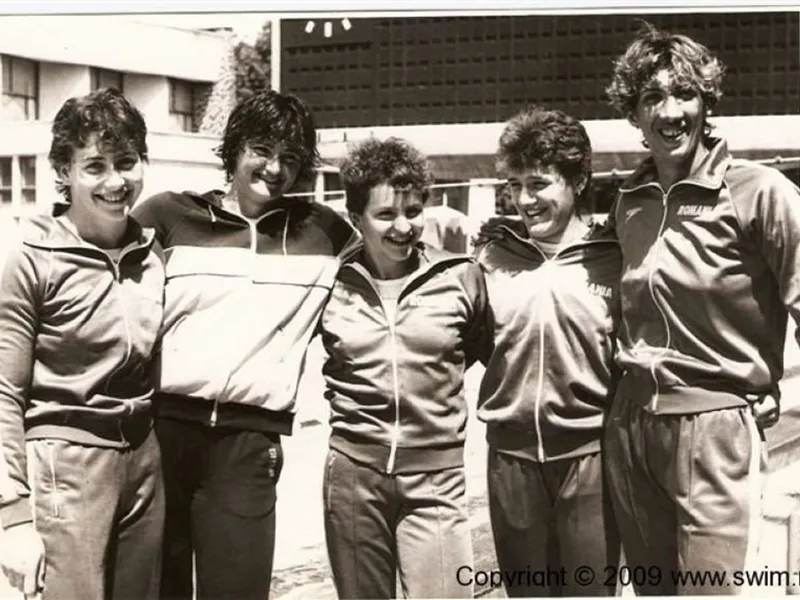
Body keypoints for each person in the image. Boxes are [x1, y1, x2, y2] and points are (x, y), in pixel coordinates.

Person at [131, 89, 358, 600]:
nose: (276, 168)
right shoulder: (169, 217)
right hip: (161, 435)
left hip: (247, 446)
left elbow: (393, 268)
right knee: (154, 591)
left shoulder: (324, 232)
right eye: (262, 149)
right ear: (234, 149)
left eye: (291, 158)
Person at [603, 23, 800, 595]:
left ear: (707, 101)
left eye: (685, 94)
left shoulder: (760, 192)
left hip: (715, 430)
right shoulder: (629, 203)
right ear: (634, 115)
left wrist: (758, 392)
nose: (670, 112)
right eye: (652, 98)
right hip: (631, 426)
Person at [0, 88, 165, 599]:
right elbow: (3, 391)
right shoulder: (32, 259)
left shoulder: (154, 253)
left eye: (127, 162)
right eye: (94, 166)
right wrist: (11, 517)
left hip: (144, 463)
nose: (116, 181)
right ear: (64, 172)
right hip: (65, 469)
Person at [318, 137, 492, 599]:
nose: (403, 226)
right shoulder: (330, 283)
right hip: (355, 477)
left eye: (413, 211)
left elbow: (479, 349)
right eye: (385, 214)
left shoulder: (460, 277)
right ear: (356, 219)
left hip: (436, 480)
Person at [474, 105, 622, 597]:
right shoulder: (491, 257)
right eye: (514, 185)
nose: (523, 200)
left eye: (538, 184)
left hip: (591, 461)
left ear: (578, 179)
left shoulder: (613, 256)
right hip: (510, 463)